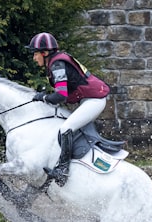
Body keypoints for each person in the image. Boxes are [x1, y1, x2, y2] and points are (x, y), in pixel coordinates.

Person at [26, 32, 110, 187]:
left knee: (66, 128)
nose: (34, 58)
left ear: (45, 53)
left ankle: (62, 170)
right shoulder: (55, 62)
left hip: (94, 100)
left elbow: (61, 95)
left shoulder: (57, 64)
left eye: (35, 54)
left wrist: (43, 97)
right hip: (88, 99)